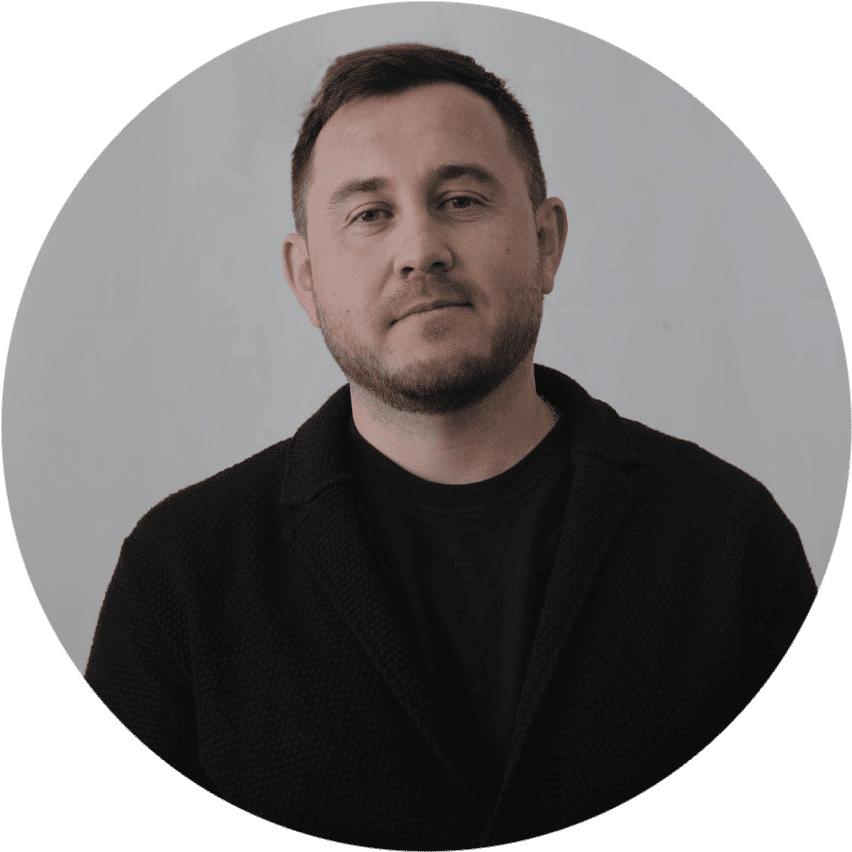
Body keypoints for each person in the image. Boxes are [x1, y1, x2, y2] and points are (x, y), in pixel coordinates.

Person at [85, 44, 817, 850]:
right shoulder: (179, 575)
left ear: (546, 241)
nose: (420, 250)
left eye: (461, 199)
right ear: (306, 279)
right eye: (369, 214)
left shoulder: (729, 535)